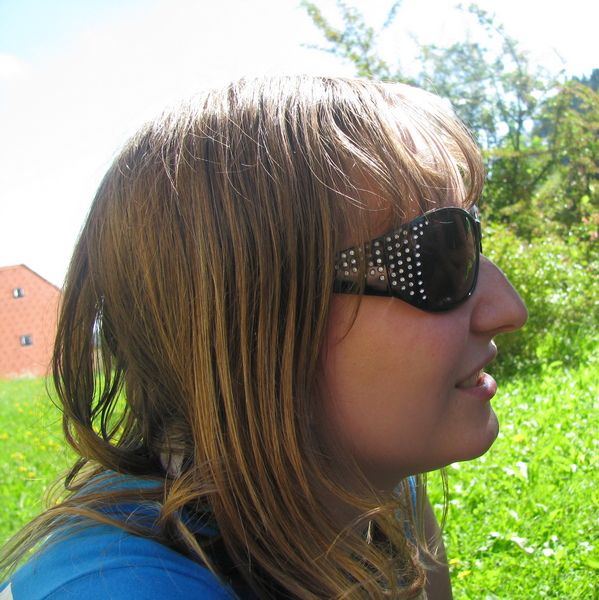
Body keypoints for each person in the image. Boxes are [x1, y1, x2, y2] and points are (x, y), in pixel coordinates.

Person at [0, 76, 527, 599]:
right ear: (246, 326)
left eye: (470, 236)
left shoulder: (373, 490)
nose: (510, 310)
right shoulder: (124, 589)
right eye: (436, 254)